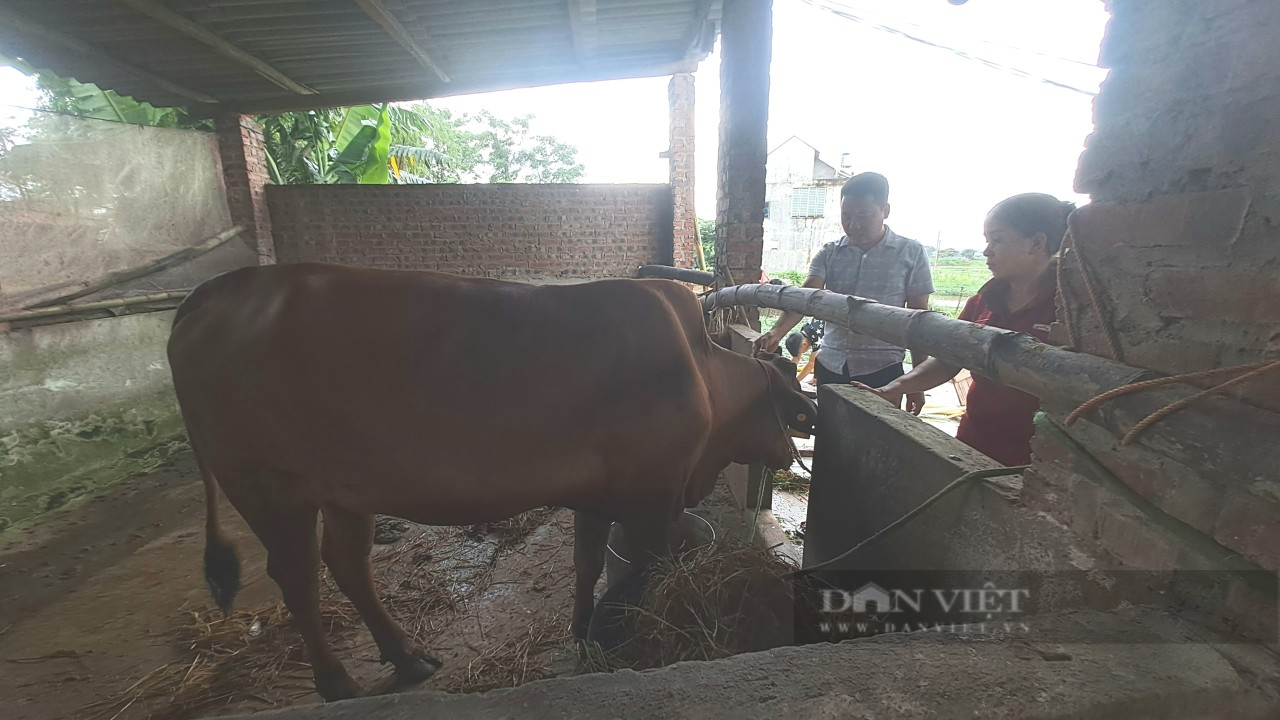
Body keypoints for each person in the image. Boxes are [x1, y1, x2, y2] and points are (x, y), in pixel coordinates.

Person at [853, 192, 1073, 466]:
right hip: (975, 440)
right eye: (987, 240)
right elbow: (949, 360)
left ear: (1036, 243)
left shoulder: (1071, 308)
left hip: (1039, 455)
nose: (987, 250)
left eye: (997, 239)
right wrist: (894, 388)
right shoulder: (983, 301)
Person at [753, 172, 934, 414]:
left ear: (885, 210)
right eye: (846, 216)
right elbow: (805, 298)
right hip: (832, 365)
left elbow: (918, 320)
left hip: (882, 369)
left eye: (863, 215)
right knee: (829, 438)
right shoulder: (830, 253)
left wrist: (916, 383)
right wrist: (776, 332)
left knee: (877, 443)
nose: (853, 224)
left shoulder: (910, 253)